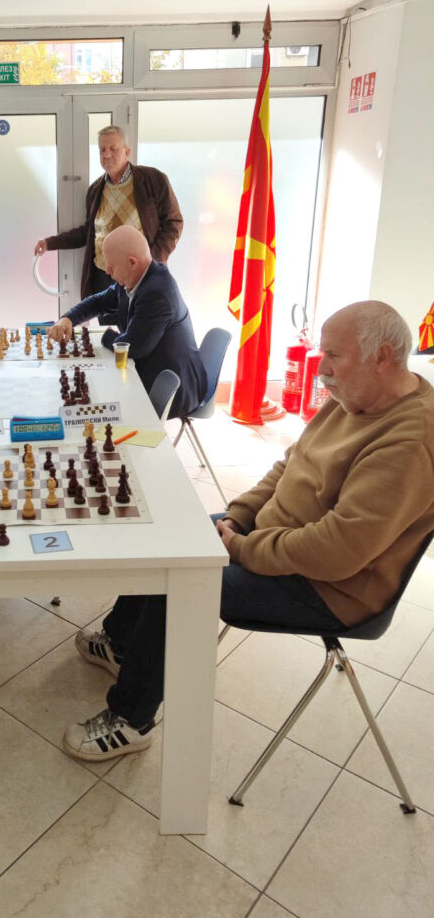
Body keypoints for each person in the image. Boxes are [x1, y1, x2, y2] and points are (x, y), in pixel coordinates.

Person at [63, 300, 434, 762]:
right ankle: (121, 645)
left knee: (181, 579)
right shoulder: (356, 397)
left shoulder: (409, 440)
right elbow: (287, 467)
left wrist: (241, 547)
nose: (322, 367)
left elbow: (338, 551)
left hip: (331, 587)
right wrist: (238, 517)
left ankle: (131, 719)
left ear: (382, 358)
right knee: (167, 538)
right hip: (278, 540)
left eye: (334, 355)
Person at [47, 225, 206, 416]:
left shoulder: (157, 293)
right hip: (149, 369)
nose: (107, 271)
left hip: (172, 388)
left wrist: (105, 336)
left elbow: (132, 347)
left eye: (111, 265)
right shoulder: (136, 278)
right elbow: (98, 302)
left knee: (99, 402)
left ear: (132, 262)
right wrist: (68, 319)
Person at [34, 125, 183, 301]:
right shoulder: (95, 190)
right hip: (103, 277)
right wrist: (50, 243)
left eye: (113, 149)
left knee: (141, 318)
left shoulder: (153, 180)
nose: (106, 154)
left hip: (139, 276)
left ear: (127, 152)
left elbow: (173, 223)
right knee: (103, 319)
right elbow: (88, 232)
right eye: (102, 149)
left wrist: (152, 260)